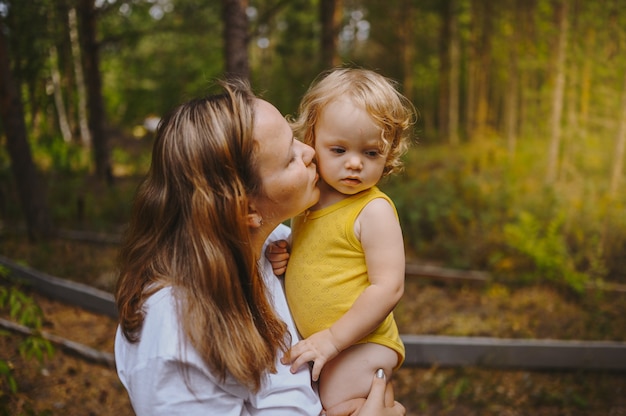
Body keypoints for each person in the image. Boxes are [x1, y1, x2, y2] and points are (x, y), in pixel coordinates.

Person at [114, 78, 406, 416]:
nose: (310, 151)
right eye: (289, 157)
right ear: (247, 208)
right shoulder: (173, 337)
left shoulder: (274, 246)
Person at [268, 67, 416, 414]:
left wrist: (334, 339)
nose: (354, 164)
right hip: (328, 344)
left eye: (371, 153)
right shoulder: (308, 200)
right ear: (311, 140)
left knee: (336, 405)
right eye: (338, 149)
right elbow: (321, 255)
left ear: (389, 153)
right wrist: (286, 256)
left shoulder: (373, 210)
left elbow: (388, 287)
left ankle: (387, 405)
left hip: (361, 342)